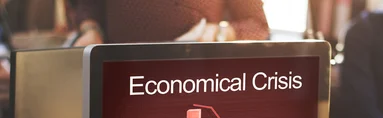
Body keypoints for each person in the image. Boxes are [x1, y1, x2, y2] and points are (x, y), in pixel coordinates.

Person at [70, 0, 269, 46]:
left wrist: (220, 33)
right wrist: (91, 28)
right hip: (116, 80)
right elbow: (90, 5)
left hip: (186, 83)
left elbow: (258, 26)